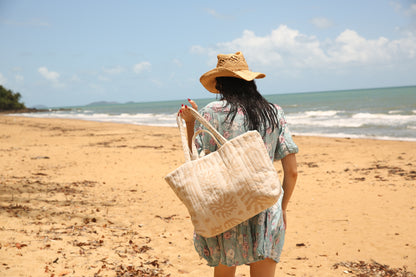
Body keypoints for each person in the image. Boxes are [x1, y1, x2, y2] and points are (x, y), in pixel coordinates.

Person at [179, 52, 298, 277]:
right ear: (249, 81)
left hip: (227, 208)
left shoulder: (211, 113)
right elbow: (292, 172)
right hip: (267, 206)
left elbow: (195, 160)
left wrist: (192, 122)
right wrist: (281, 208)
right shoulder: (274, 113)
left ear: (221, 84)